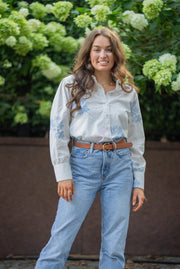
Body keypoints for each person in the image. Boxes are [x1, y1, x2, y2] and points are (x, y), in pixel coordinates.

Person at [35, 27, 146, 269]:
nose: (102, 55)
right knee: (61, 236)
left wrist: (139, 182)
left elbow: (137, 139)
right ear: (88, 54)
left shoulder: (127, 92)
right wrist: (63, 175)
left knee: (115, 244)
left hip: (120, 167)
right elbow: (58, 132)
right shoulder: (70, 85)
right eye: (97, 49)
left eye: (108, 50)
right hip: (82, 164)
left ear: (116, 55)